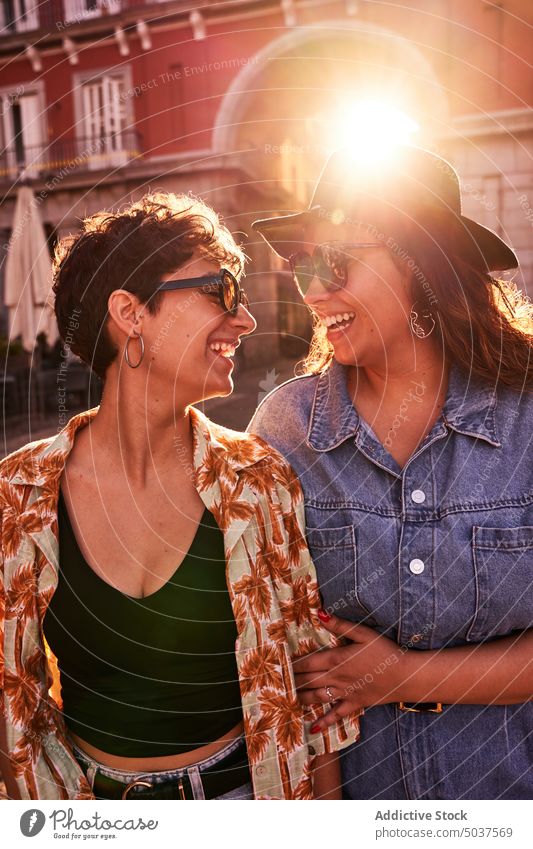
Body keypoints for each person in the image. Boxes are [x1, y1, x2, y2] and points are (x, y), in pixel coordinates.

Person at [0, 192, 361, 801]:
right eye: (220, 291)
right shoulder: (18, 496)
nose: (245, 320)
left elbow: (310, 692)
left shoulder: (259, 479)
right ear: (130, 312)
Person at [248, 144, 533, 800]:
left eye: (336, 262)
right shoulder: (286, 428)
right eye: (300, 265)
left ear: (424, 269)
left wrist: (405, 678)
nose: (314, 289)